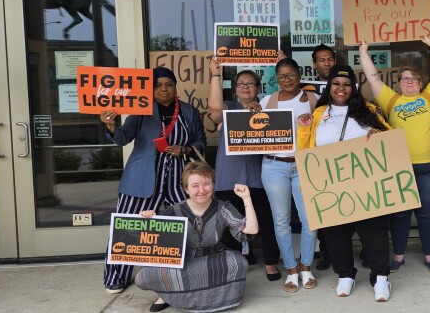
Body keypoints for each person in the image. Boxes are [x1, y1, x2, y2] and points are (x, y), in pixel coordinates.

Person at [99, 66, 206, 293]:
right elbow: (123, 138)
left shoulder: (188, 111)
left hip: (179, 177)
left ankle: (195, 270)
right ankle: (115, 277)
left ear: (176, 87)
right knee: (126, 226)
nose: (163, 89)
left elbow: (200, 141)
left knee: (194, 220)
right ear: (150, 88)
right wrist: (110, 125)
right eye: (157, 85)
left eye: (168, 84)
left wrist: (185, 149)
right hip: (142, 177)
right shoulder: (141, 108)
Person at [296, 65, 393, 301]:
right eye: (337, 83)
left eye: (347, 84)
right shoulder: (318, 113)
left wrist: (380, 134)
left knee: (374, 233)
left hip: (367, 184)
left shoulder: (369, 110)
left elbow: (390, 136)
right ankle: (345, 275)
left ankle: (380, 278)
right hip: (331, 186)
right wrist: (303, 128)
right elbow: (306, 148)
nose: (342, 88)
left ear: (354, 88)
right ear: (329, 87)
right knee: (336, 235)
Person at [359, 36, 430, 274]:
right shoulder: (391, 99)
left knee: (427, 214)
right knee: (400, 215)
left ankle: (429, 256)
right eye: (404, 79)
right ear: (398, 84)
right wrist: (364, 52)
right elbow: (373, 78)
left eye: (414, 79)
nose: (409, 82)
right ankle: (399, 256)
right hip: (400, 167)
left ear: (420, 82)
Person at [135, 161, 258, 312]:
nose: (202, 190)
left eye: (207, 183)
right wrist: (148, 221)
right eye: (195, 186)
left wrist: (246, 198)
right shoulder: (174, 211)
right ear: (185, 188)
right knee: (144, 276)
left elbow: (250, 230)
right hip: (182, 263)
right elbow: (154, 249)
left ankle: (174, 293)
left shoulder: (223, 207)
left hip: (212, 259)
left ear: (213, 185)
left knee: (238, 263)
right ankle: (166, 295)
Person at [207, 60, 281, 281]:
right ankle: (233, 267)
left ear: (258, 88)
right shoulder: (228, 108)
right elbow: (214, 111)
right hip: (229, 178)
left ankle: (270, 264)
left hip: (260, 177)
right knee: (231, 226)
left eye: (251, 84)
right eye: (241, 84)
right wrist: (215, 75)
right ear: (235, 88)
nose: (246, 87)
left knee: (267, 223)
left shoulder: (267, 108)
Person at [259, 58, 319, 293]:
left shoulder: (312, 100)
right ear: (276, 78)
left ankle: (306, 266)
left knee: (310, 219)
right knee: (281, 220)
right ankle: (291, 269)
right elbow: (254, 131)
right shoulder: (267, 101)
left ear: (298, 74)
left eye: (291, 75)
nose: (287, 80)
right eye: (282, 76)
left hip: (304, 165)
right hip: (274, 165)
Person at [310, 43, 336, 270]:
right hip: (320, 158)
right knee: (325, 210)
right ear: (314, 64)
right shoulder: (305, 90)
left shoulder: (348, 85)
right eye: (321, 60)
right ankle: (326, 253)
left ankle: (365, 250)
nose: (326, 63)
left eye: (329, 59)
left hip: (346, 156)